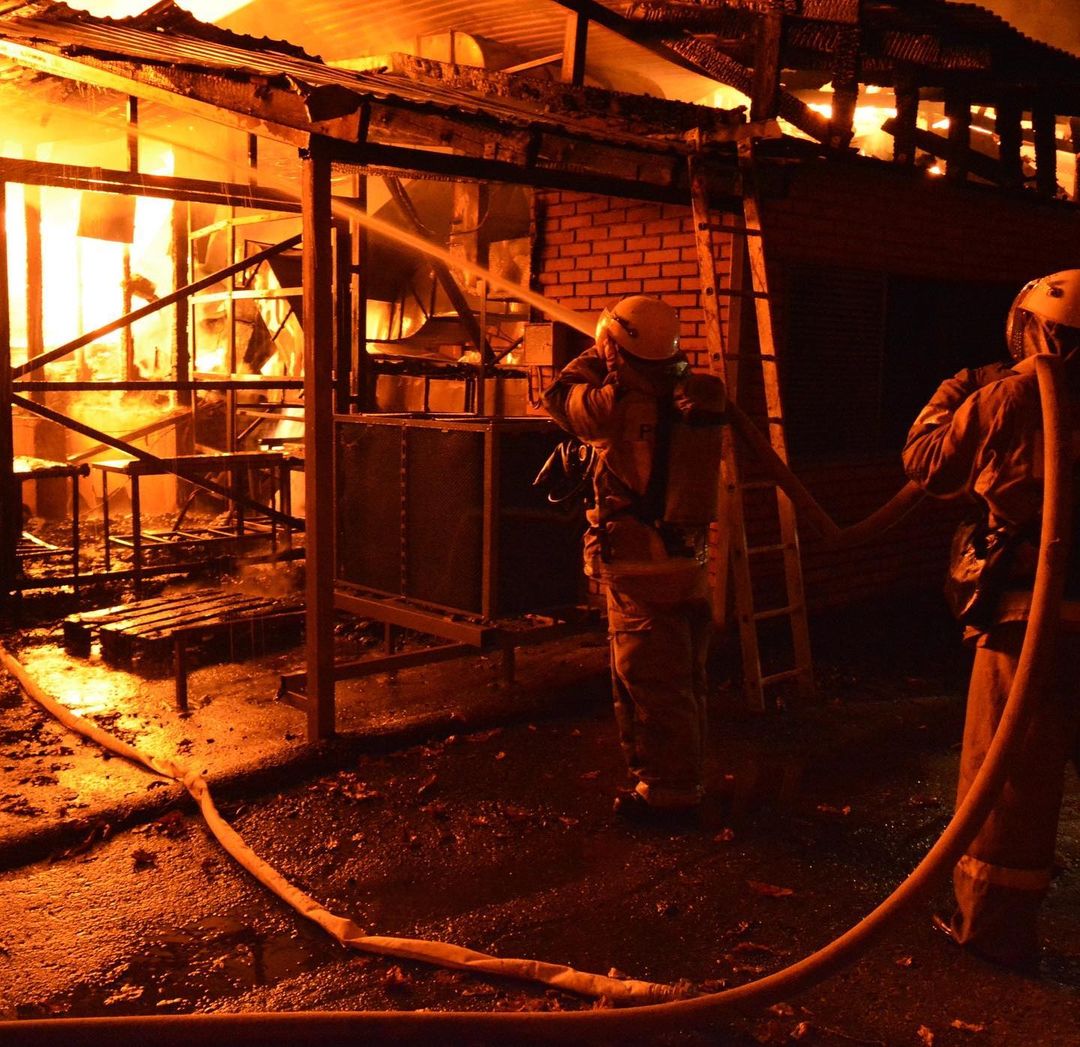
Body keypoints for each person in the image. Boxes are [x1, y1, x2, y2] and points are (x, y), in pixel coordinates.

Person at [902, 269, 1080, 971]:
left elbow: (928, 467)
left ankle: (993, 931)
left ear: (1033, 326)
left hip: (1026, 621)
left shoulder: (1006, 396)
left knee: (1008, 784)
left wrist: (955, 395)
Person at [542, 295, 727, 825]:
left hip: (641, 568)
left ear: (616, 345)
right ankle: (678, 777)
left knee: (649, 684)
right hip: (688, 564)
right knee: (682, 681)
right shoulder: (694, 390)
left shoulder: (613, 405)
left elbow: (556, 396)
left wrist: (601, 349)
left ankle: (669, 795)